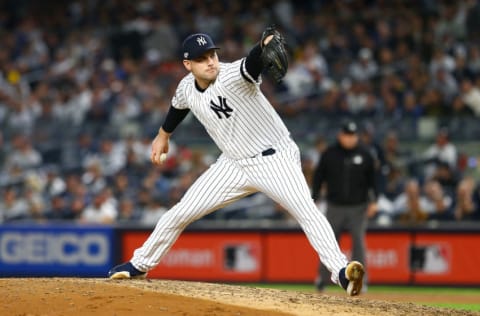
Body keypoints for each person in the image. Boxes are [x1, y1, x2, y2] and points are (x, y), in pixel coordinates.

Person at [108, 30, 364, 296]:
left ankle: (342, 273)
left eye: (212, 54)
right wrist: (163, 135)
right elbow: (178, 107)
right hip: (232, 164)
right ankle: (140, 263)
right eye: (201, 59)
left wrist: (261, 47)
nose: (210, 62)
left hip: (274, 159)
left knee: (306, 212)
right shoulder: (186, 86)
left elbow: (251, 63)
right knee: (180, 212)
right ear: (188, 65)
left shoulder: (231, 76)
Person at [311, 120, 376, 292]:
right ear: (340, 135)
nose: (349, 139)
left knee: (359, 244)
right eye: (347, 135)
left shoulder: (365, 154)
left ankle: (361, 281)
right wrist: (314, 198)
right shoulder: (330, 154)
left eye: (352, 136)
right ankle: (322, 280)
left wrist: (375, 201)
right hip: (335, 206)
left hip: (358, 207)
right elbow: (318, 177)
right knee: (328, 242)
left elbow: (374, 180)